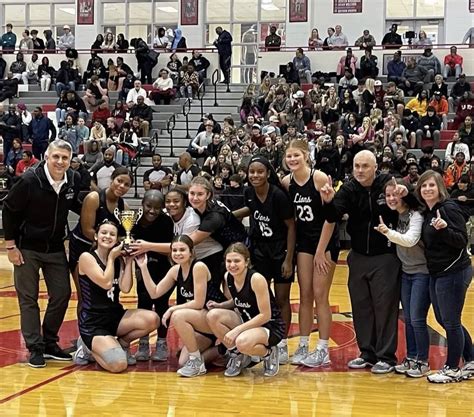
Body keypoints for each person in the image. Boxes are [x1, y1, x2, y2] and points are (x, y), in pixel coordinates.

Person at [320, 150, 402, 374]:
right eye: (357, 166)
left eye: (365, 166)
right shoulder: (349, 188)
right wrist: (327, 201)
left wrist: (404, 193)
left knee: (385, 308)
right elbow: (333, 215)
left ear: (376, 167)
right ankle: (367, 353)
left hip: (385, 256)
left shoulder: (388, 183)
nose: (360, 170)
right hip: (357, 256)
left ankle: (386, 356)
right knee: (361, 306)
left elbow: (406, 204)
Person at [2, 140, 81, 368]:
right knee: (29, 299)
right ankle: (35, 348)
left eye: (65, 158)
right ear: (47, 157)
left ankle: (49, 342)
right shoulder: (29, 180)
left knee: (62, 294)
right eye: (56, 156)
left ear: (70, 160)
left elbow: (78, 204)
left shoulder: (72, 180)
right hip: (27, 247)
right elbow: (9, 210)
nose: (60, 162)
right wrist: (10, 246)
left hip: (55, 247)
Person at [280, 140, 339, 366]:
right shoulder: (287, 182)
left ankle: (323, 349)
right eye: (289, 156)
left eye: (296, 155)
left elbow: (330, 218)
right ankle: (303, 344)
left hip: (324, 242)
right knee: (305, 295)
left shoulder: (319, 178)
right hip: (304, 242)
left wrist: (321, 250)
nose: (292, 160)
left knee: (320, 295)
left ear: (306, 155)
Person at [233, 156, 295, 364]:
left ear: (268, 173)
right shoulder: (249, 192)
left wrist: (288, 258)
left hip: (279, 250)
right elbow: (252, 210)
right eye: (252, 172)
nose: (255, 175)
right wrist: (228, 216)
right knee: (260, 299)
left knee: (281, 299)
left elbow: (291, 226)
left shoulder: (278, 195)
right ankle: (259, 339)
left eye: (260, 171)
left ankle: (282, 343)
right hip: (259, 250)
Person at [73, 221, 159, 372]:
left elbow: (125, 288)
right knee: (119, 365)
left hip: (115, 316)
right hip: (94, 323)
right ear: (95, 236)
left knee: (153, 319)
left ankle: (122, 344)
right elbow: (106, 283)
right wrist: (112, 257)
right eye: (104, 233)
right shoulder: (87, 257)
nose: (108, 236)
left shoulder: (118, 260)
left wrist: (130, 260)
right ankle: (88, 348)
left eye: (112, 234)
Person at [137, 234, 225, 377]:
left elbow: (198, 303)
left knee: (178, 315)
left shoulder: (199, 267)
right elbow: (154, 293)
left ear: (191, 252)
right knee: (183, 362)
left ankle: (197, 363)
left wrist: (171, 309)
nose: (178, 253)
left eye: (182, 250)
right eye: (175, 250)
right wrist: (143, 267)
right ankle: (223, 350)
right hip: (200, 323)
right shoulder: (175, 271)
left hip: (215, 317)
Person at [415, 171, 473, 383]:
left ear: (440, 187)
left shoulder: (448, 208)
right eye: (424, 186)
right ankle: (471, 359)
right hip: (437, 272)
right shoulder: (428, 211)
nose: (428, 189)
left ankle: (452, 368)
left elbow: (461, 240)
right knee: (444, 319)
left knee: (450, 321)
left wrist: (445, 229)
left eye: (431, 185)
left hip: (454, 271)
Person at [375, 179, 431, 377]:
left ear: (403, 194)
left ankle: (423, 361)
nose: (391, 198)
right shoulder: (396, 215)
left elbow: (411, 240)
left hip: (422, 273)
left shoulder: (416, 214)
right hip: (406, 272)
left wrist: (387, 233)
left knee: (417, 318)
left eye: (395, 194)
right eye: (388, 195)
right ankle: (412, 357)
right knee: (408, 318)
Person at [206, 242, 285, 377]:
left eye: (237, 261)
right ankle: (237, 355)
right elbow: (239, 300)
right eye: (229, 261)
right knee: (212, 315)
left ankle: (269, 353)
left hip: (269, 325)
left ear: (246, 262)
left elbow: (265, 315)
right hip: (247, 321)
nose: (232, 265)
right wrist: (220, 306)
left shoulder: (256, 279)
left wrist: (236, 330)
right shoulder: (228, 276)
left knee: (241, 341)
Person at [131, 191, 174, 362]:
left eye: (157, 207)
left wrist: (147, 247)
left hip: (163, 269)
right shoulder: (134, 220)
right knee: (143, 304)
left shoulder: (166, 222)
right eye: (149, 206)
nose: (152, 210)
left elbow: (170, 247)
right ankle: (143, 343)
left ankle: (162, 343)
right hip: (143, 269)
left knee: (162, 304)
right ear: (142, 203)